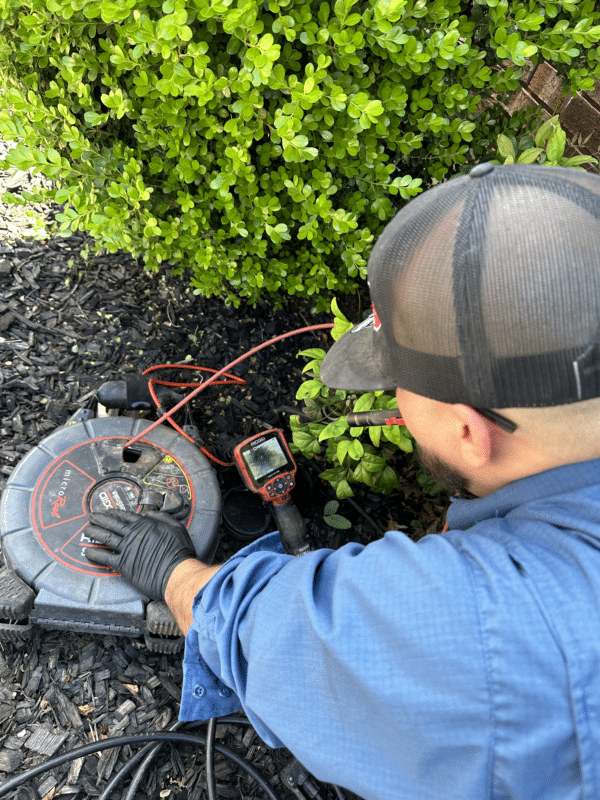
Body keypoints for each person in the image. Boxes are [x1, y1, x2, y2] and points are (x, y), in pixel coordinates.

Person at [85, 162, 600, 800]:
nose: (391, 403)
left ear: (470, 431)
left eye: (401, 386)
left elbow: (269, 631)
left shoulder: (500, 630)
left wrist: (171, 571)